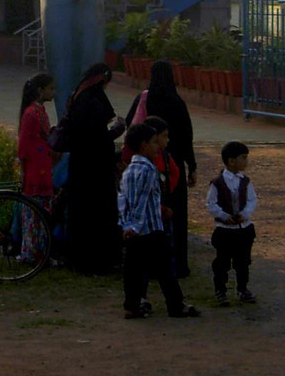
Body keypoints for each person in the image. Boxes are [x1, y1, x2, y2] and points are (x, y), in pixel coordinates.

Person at [117, 122, 199, 319]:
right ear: (144, 145)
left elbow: (123, 200)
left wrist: (126, 225)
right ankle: (176, 305)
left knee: (133, 270)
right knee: (165, 269)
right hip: (150, 228)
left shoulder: (128, 170)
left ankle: (132, 306)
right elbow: (141, 201)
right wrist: (135, 226)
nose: (158, 146)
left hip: (134, 230)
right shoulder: (149, 170)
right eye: (154, 142)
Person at [125, 60, 197, 277]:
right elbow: (186, 136)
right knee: (174, 215)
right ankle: (176, 264)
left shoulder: (144, 98)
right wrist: (192, 166)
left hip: (148, 162)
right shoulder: (177, 103)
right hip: (173, 164)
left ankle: (151, 264)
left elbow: (130, 124)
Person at [63, 62, 125, 274]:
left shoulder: (79, 96)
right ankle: (99, 260)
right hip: (95, 169)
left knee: (81, 213)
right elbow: (96, 138)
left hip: (80, 165)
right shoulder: (91, 101)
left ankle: (80, 258)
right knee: (99, 212)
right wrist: (116, 131)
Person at [206, 140, 258, 306]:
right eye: (243, 158)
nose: (246, 161)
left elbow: (252, 200)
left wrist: (245, 214)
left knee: (243, 262)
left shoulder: (246, 182)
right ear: (231, 161)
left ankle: (242, 289)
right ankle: (221, 290)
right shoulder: (218, 183)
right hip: (225, 229)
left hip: (243, 228)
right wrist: (223, 215)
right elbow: (211, 203)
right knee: (222, 262)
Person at [17, 73, 57, 263]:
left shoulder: (38, 112)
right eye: (51, 89)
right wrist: (23, 169)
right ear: (40, 91)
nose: (53, 92)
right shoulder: (32, 114)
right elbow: (24, 146)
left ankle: (40, 252)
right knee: (34, 213)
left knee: (41, 213)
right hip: (35, 168)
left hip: (42, 166)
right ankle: (31, 252)